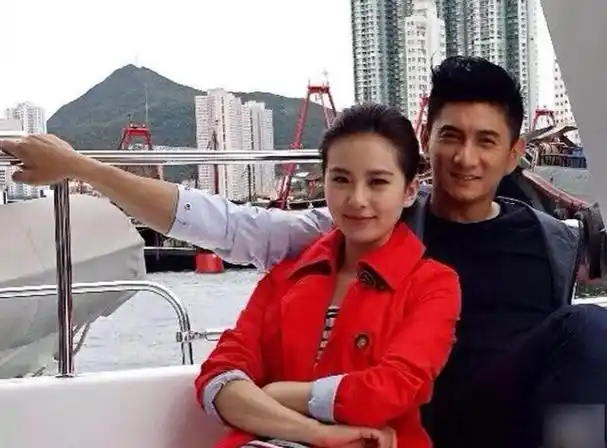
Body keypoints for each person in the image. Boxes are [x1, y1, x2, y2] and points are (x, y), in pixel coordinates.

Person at [2, 56, 607, 447]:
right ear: (426, 141)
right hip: (396, 426)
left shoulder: (552, 238)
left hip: (500, 422)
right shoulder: (364, 228)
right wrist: (83, 168)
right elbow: (224, 224)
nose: (465, 158)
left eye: (486, 141)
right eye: (450, 136)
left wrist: (277, 396)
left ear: (515, 152)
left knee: (586, 329)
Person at [195, 104, 461, 448]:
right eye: (340, 179)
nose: (357, 199)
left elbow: (391, 390)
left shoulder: (433, 284)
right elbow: (217, 378)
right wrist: (317, 433)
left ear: (409, 190)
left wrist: (276, 394)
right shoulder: (286, 276)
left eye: (378, 182)